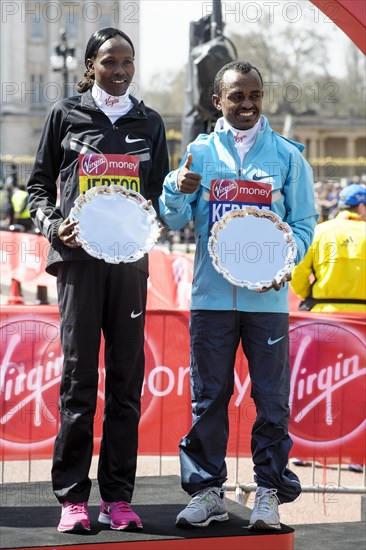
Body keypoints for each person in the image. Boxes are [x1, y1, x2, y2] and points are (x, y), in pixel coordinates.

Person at [159, 60, 318, 530]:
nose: (246, 105)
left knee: (271, 401)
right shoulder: (200, 152)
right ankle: (207, 493)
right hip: (211, 300)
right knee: (208, 399)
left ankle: (267, 494)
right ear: (218, 101)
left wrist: (286, 262)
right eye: (236, 96)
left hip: (267, 302)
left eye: (254, 95)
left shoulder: (288, 156)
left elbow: (305, 224)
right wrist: (175, 188)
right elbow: (171, 219)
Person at [27, 27, 169, 533]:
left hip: (129, 268)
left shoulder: (149, 122)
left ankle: (118, 498)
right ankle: (72, 499)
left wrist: (159, 216)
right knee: (79, 381)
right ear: (91, 65)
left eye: (127, 61)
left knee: (127, 383)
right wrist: (53, 226)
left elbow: (157, 201)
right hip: (78, 265)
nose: (120, 70)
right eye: (109, 61)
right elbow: (38, 188)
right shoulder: (66, 115)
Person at [290, 183, 366, 313]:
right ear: (361, 207)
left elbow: (296, 272)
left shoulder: (319, 232)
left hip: (324, 314)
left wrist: (309, 295)